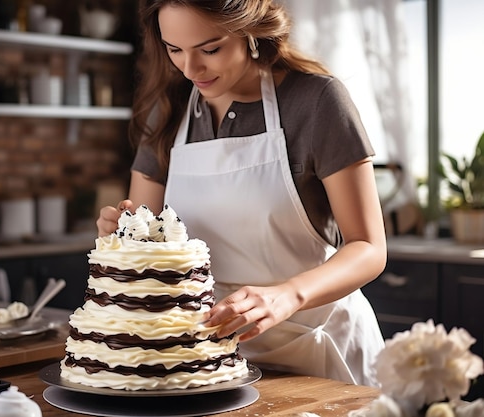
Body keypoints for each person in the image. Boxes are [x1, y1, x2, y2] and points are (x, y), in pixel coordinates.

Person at [97, 0, 387, 387]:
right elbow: (149, 253)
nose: (190, 68)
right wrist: (122, 235)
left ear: (249, 30)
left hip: (317, 356)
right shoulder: (169, 110)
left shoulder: (316, 101)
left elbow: (368, 247)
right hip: (204, 363)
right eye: (174, 50)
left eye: (210, 49)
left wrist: (287, 296)